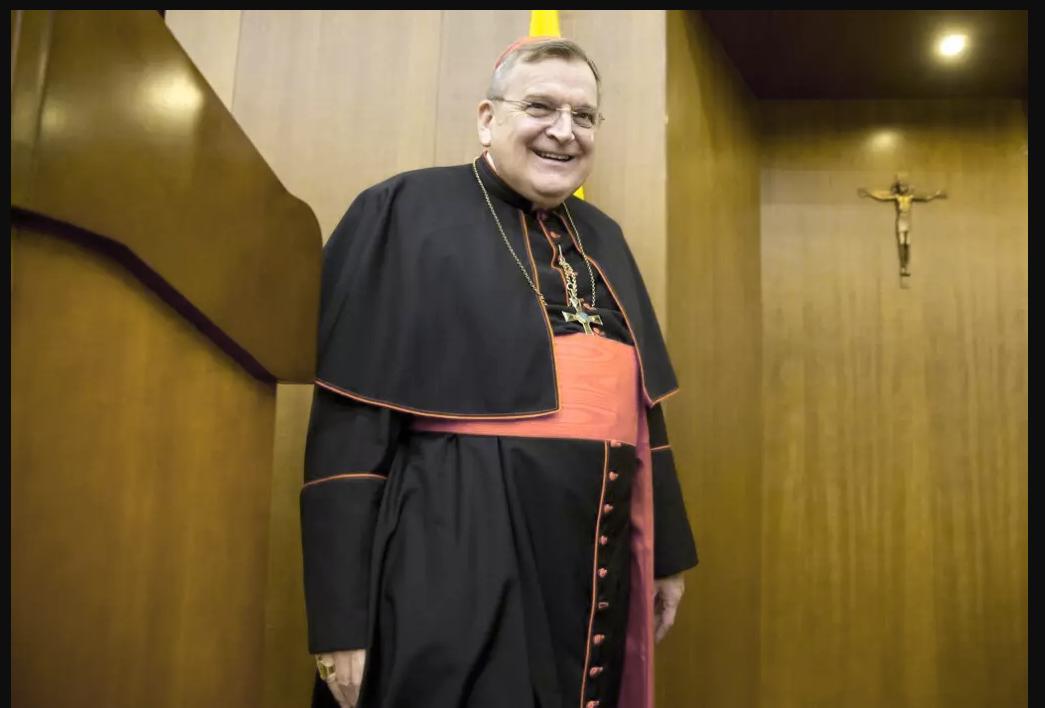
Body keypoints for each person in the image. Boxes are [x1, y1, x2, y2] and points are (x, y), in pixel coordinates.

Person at [301, 36, 698, 708]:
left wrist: (664, 554)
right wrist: (341, 620)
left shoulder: (603, 235)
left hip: (588, 553)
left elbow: (642, 413)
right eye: (540, 107)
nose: (564, 131)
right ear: (487, 119)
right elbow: (348, 429)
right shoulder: (401, 210)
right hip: (455, 542)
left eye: (583, 115)